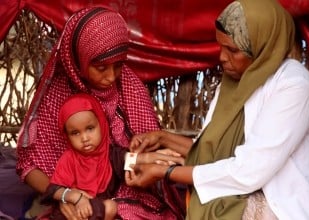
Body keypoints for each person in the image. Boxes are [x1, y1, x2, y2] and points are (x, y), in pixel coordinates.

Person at [125, 0, 309, 219]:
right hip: (247, 189)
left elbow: (248, 170)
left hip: (287, 207)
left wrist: (166, 172)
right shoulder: (236, 82)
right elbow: (215, 154)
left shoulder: (295, 86)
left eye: (232, 50)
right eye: (221, 46)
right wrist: (162, 138)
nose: (222, 57)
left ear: (261, 46)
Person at [16, 6, 185, 220]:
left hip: (129, 191)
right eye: (101, 67)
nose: (111, 77)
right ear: (81, 58)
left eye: (118, 66)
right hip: (67, 191)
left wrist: (153, 159)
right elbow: (29, 167)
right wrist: (65, 196)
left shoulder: (129, 87)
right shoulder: (56, 95)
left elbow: (128, 160)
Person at [42, 93, 117, 220]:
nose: (84, 138)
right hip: (71, 211)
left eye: (90, 128)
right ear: (67, 136)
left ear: (102, 124)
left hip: (97, 208)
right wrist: (75, 197)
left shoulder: (111, 155)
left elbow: (130, 161)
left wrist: (147, 159)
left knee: (110, 207)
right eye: (75, 133)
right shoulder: (69, 158)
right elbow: (53, 190)